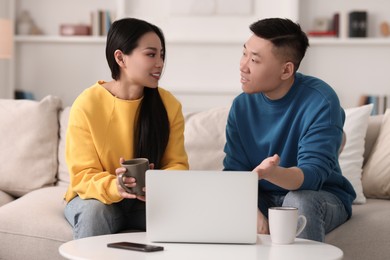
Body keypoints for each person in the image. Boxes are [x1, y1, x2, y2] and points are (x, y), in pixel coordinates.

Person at [223, 18, 356, 242]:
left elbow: (313, 176)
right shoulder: (241, 106)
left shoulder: (321, 101)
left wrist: (273, 173)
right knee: (223, 204)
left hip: (319, 195)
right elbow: (234, 172)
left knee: (298, 202)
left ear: (286, 70)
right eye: (244, 53)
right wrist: (250, 210)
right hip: (262, 196)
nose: (243, 65)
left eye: (254, 60)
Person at [64, 18, 189, 239]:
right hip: (98, 199)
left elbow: (177, 164)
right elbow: (82, 176)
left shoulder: (168, 105)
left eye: (161, 55)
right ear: (121, 58)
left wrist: (157, 184)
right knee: (94, 212)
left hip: (147, 204)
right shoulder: (87, 104)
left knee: (188, 212)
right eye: (151, 54)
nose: (160, 63)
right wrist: (116, 186)